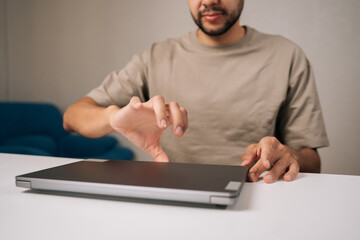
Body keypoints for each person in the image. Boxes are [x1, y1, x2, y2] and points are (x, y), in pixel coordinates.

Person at [63, 0, 329, 184]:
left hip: (261, 196)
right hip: (172, 198)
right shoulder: (156, 57)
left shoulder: (287, 56)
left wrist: (289, 155)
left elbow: (312, 162)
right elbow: (72, 117)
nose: (208, 1)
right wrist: (113, 117)